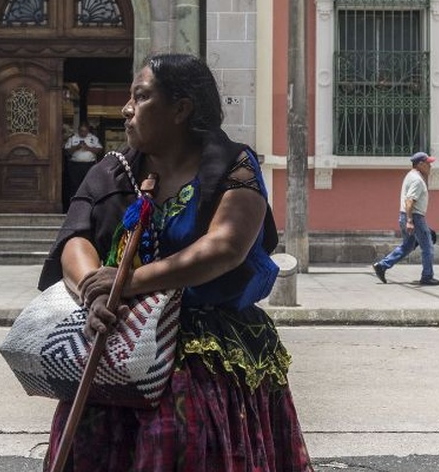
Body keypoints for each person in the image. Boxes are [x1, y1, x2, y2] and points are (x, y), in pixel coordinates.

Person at [38, 53, 312, 471]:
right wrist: (95, 291)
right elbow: (76, 236)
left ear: (181, 108)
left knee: (181, 442)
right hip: (116, 343)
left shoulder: (233, 165)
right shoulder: (114, 170)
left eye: (142, 97)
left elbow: (225, 246)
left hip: (206, 344)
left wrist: (129, 283)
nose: (127, 109)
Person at [372, 151, 439, 286]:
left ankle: (382, 266)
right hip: (414, 217)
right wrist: (410, 221)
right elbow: (410, 201)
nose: (430, 166)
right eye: (428, 164)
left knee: (408, 246)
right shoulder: (417, 180)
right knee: (427, 246)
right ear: (421, 164)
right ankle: (427, 276)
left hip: (406, 216)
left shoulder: (410, 176)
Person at [63, 121, 104, 205]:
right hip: (75, 165)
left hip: (89, 165)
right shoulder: (73, 138)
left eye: (85, 131)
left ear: (88, 130)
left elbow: (99, 150)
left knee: (89, 185)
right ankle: (74, 203)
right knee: (75, 185)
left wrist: (88, 148)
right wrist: (76, 147)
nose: (83, 133)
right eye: (81, 131)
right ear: (78, 130)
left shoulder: (93, 138)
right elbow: (67, 151)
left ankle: (88, 203)